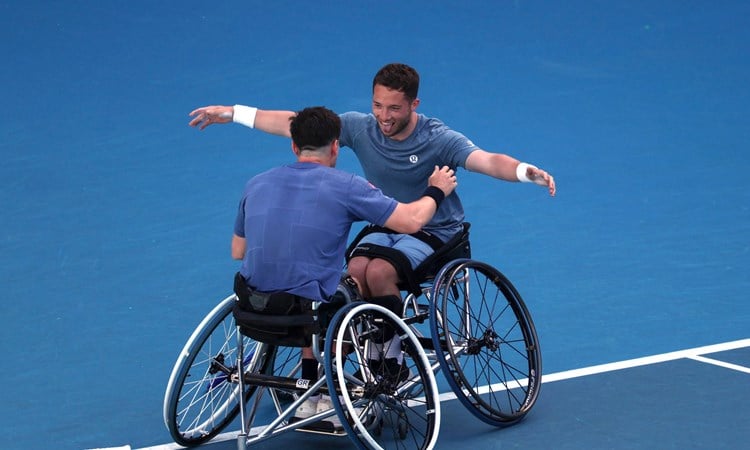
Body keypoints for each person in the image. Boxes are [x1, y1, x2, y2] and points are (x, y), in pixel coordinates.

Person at [192, 62, 555, 381]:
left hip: (437, 230)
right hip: (388, 223)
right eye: (377, 105)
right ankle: (364, 342)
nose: (384, 115)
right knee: (355, 269)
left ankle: (389, 357)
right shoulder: (358, 127)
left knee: (379, 272)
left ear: (414, 105)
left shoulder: (439, 139)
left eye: (394, 108)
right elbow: (297, 125)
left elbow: (487, 160)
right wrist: (233, 112)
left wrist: (525, 172)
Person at [231, 106, 456, 428]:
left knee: (311, 290)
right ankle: (378, 367)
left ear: (294, 146)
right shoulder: (348, 186)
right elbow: (410, 221)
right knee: (343, 288)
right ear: (336, 146)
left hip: (253, 308)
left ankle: (309, 394)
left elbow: (238, 250)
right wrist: (437, 189)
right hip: (308, 309)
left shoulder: (256, 183)